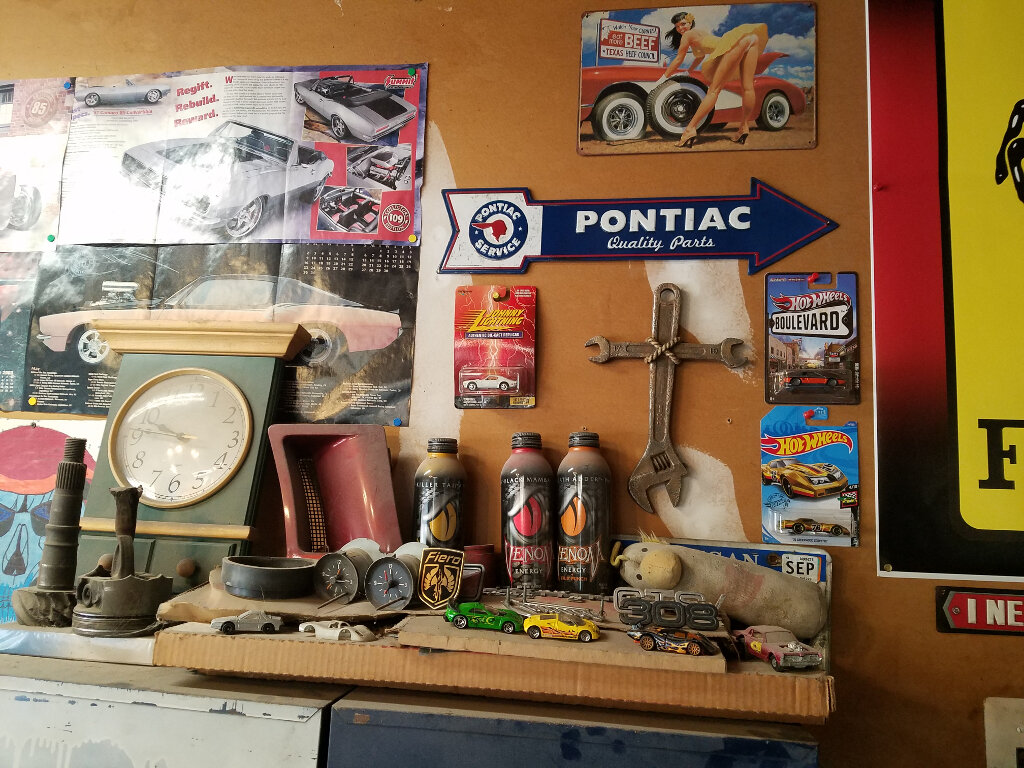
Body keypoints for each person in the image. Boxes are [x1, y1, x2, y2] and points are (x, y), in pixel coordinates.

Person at [659, 11, 769, 147]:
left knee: (713, 91)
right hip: (751, 38)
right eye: (677, 26)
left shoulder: (687, 35)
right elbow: (699, 56)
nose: (680, 28)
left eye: (683, 24)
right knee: (747, 87)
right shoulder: (699, 33)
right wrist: (689, 71)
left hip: (734, 43)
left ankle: (689, 130)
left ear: (690, 23)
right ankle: (744, 127)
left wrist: (663, 77)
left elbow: (678, 59)